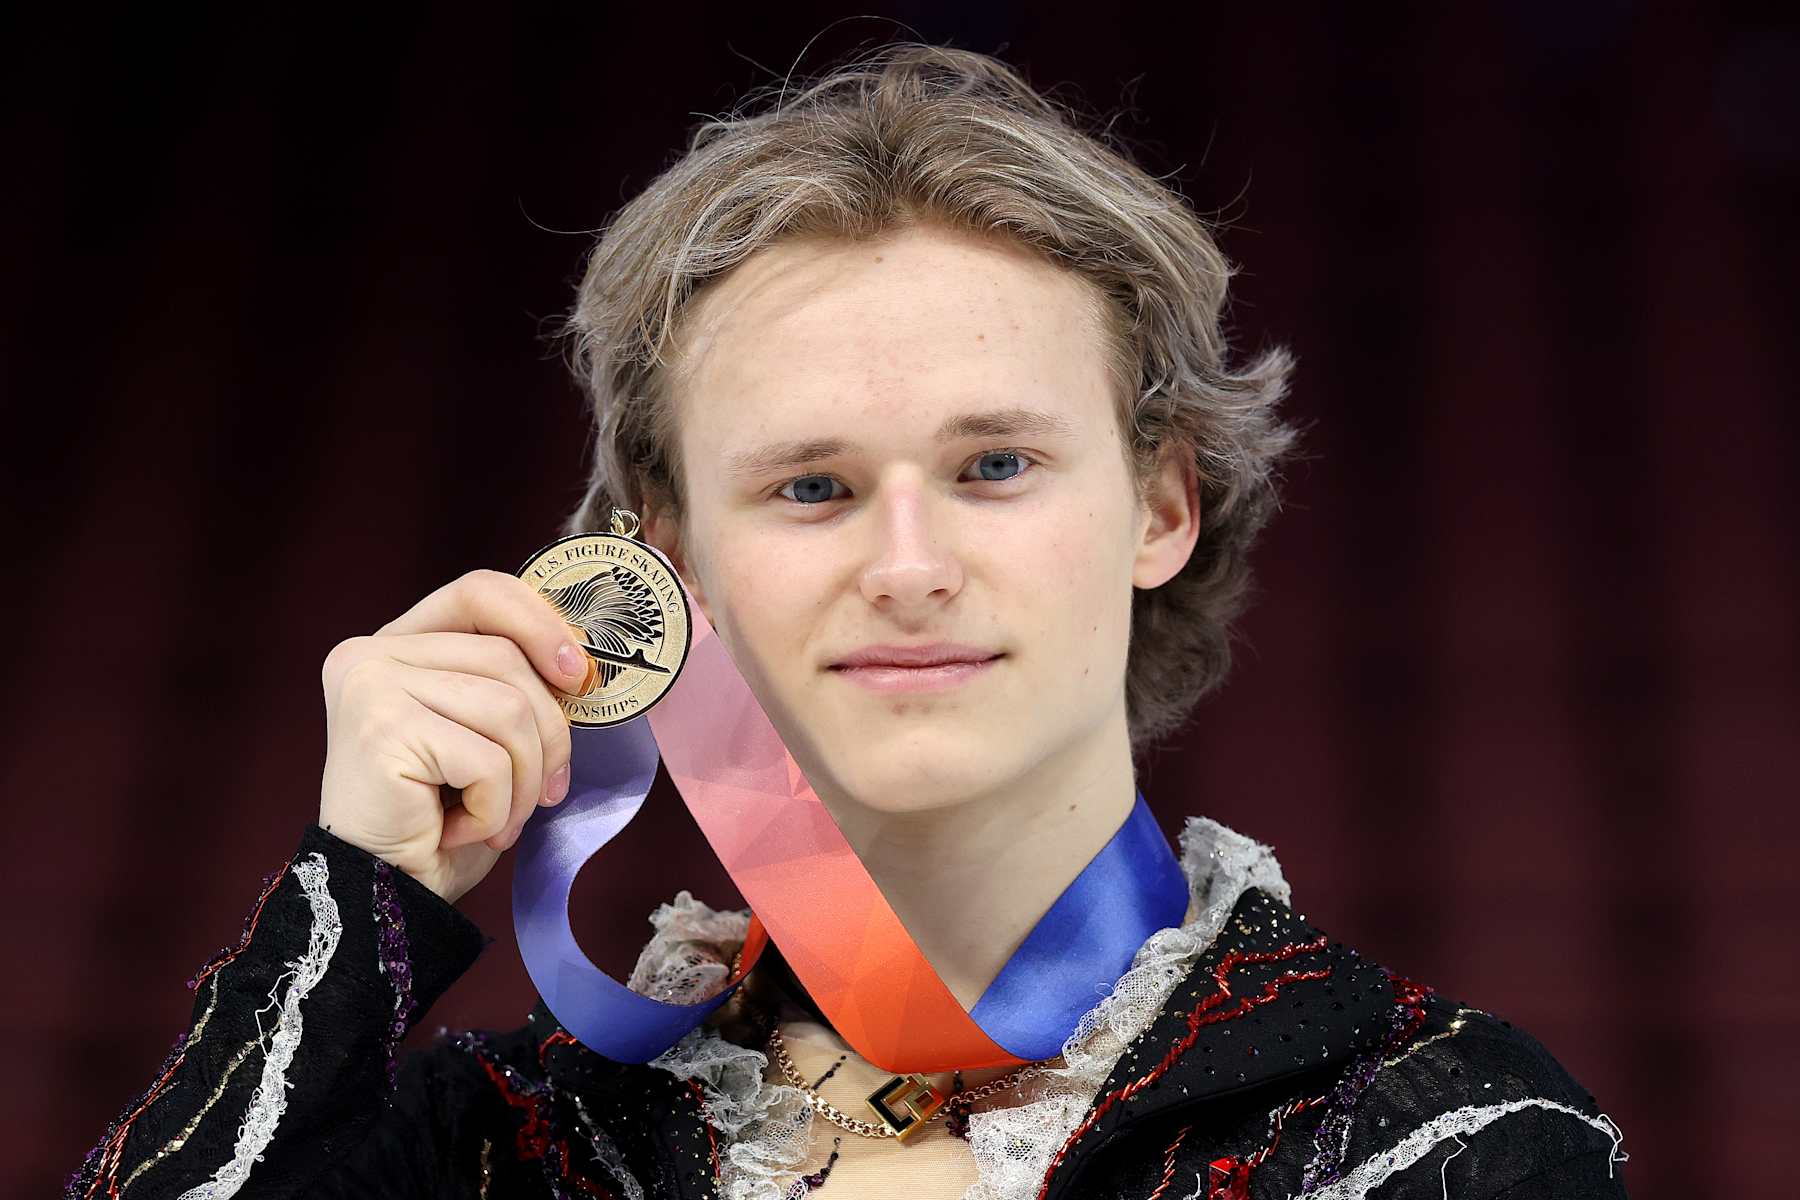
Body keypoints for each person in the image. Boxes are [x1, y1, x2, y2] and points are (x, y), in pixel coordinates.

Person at [69, 42, 1629, 1200]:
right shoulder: (503, 1148)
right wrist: (362, 902)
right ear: (671, 554)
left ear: (1161, 506)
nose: (908, 563)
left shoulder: (1438, 1132)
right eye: (810, 487)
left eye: (995, 465)